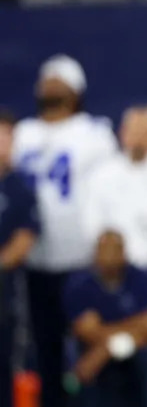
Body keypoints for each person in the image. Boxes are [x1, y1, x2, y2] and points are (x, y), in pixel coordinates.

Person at [12, 55, 117, 407]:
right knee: (40, 349)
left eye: (59, 79)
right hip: (32, 260)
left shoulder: (94, 133)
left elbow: (107, 190)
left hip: (80, 257)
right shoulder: (22, 134)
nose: (50, 83)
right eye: (47, 78)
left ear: (76, 90)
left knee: (86, 347)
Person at [63, 230, 147, 407]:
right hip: (95, 343)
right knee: (76, 361)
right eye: (103, 250)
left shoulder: (144, 278)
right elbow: (86, 330)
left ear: (124, 253)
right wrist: (134, 326)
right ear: (95, 253)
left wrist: (106, 349)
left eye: (114, 251)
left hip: (134, 345)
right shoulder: (79, 284)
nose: (108, 258)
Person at [81, 107, 147, 276]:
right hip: (110, 265)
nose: (138, 138)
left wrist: (145, 256)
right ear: (122, 134)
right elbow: (92, 221)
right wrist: (113, 254)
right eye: (133, 131)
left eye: (144, 132)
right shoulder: (102, 175)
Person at [0, 110, 40, 407]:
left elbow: (22, 243)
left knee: (7, 370)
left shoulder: (20, 188)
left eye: (6, 136)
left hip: (6, 298)